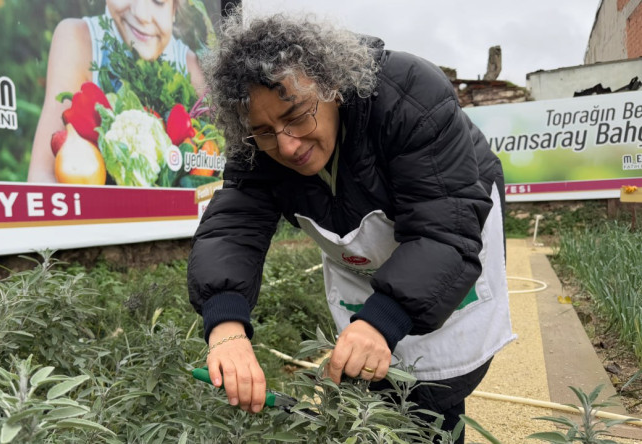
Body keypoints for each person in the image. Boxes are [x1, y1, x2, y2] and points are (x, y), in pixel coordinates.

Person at [187, 9, 515, 440]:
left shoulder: (411, 96)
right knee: (368, 375)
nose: (288, 146)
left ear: (333, 86)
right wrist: (225, 322)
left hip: (451, 214)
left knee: (433, 390)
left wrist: (383, 319)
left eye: (297, 116)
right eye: (265, 132)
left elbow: (444, 230)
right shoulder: (258, 143)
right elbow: (233, 225)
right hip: (363, 242)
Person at [28, 0, 206, 183]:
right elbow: (42, 177)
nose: (142, 15)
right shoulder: (78, 39)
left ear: (174, 8)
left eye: (158, 1)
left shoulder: (194, 71)